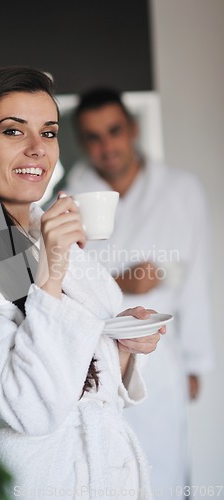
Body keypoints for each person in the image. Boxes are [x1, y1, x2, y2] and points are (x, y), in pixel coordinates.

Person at [0, 68, 167, 500]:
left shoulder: (43, 235)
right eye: (14, 131)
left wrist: (123, 344)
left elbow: (91, 377)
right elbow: (32, 408)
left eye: (49, 133)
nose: (37, 149)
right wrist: (52, 269)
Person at [62, 87, 214, 497]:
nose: (106, 146)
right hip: (95, 360)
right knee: (104, 474)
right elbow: (59, 282)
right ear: (81, 142)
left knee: (164, 470)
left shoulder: (181, 190)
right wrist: (120, 282)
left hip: (163, 359)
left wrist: (196, 361)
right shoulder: (68, 195)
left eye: (114, 131)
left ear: (132, 128)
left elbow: (196, 277)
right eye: (93, 137)